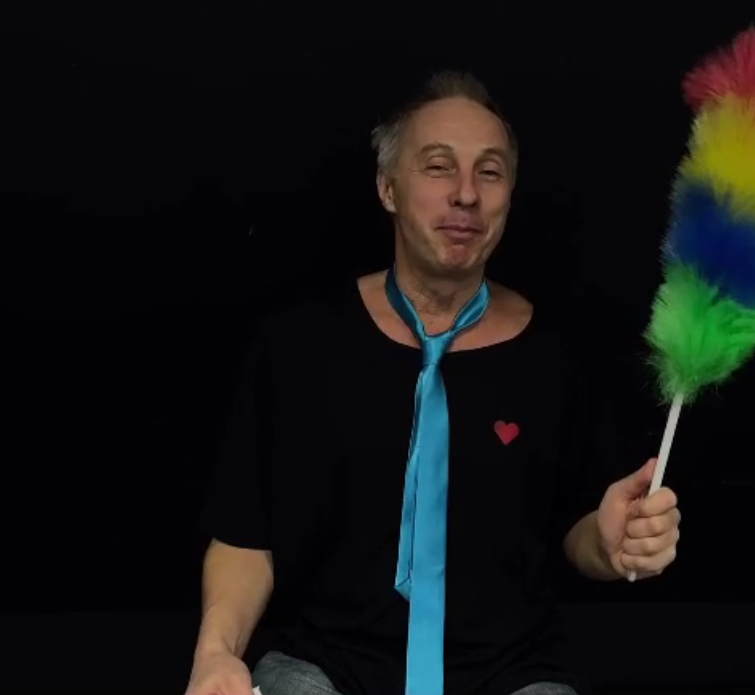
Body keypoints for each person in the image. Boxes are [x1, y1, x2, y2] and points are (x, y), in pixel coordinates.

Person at [185, 71, 681, 695]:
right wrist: (214, 653)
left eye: (490, 172)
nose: (466, 194)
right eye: (439, 167)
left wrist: (611, 547)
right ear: (387, 187)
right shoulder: (296, 347)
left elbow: (578, 534)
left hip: (512, 676)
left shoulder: (558, 358)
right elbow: (244, 537)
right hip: (323, 668)